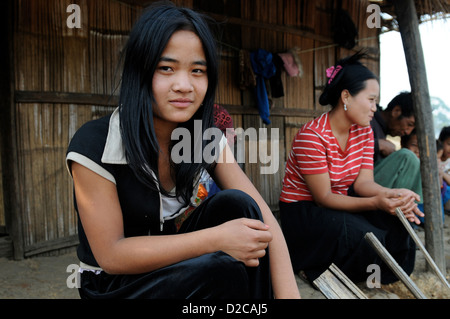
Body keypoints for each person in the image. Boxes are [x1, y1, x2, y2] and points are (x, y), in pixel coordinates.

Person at [66, 2, 299, 299]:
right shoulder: (95, 143)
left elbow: (265, 223)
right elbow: (112, 255)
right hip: (115, 284)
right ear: (140, 71)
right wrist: (216, 239)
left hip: (174, 268)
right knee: (220, 268)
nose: (184, 85)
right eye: (166, 68)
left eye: (197, 71)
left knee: (240, 206)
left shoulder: (205, 138)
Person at [279, 52, 424, 285]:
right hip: (305, 214)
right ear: (346, 96)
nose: (375, 108)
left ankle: (385, 276)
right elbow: (323, 198)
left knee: (397, 222)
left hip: (339, 202)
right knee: (363, 236)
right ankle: (318, 269)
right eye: (371, 99)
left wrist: (393, 195)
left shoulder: (363, 131)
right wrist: (376, 202)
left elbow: (363, 184)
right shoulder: (312, 136)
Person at [370, 92, 423, 200]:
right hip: (359, 188)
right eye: (409, 124)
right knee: (407, 157)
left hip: (371, 186)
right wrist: (377, 144)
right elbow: (346, 145)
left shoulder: (382, 130)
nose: (408, 132)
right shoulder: (368, 120)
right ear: (396, 111)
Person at [401, 131, 449, 223]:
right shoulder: (406, 162)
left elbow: (438, 188)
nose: (418, 150)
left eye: (438, 158)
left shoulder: (432, 168)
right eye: (414, 145)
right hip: (412, 202)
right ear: (403, 144)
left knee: (437, 219)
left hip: (422, 202)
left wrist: (438, 173)